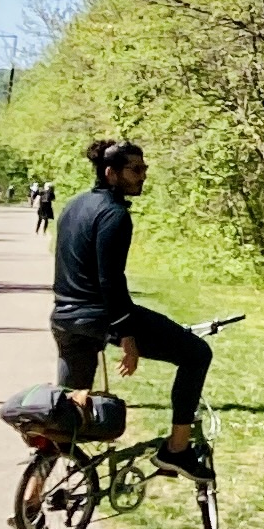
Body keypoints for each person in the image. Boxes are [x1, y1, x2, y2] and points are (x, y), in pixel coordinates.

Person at [50, 139, 213, 474]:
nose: (142, 176)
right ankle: (177, 450)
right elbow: (110, 280)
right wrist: (127, 335)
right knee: (197, 354)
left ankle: (37, 493)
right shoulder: (114, 214)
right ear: (111, 173)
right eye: (135, 170)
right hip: (102, 316)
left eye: (144, 169)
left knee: (68, 411)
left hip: (65, 318)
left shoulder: (73, 205)